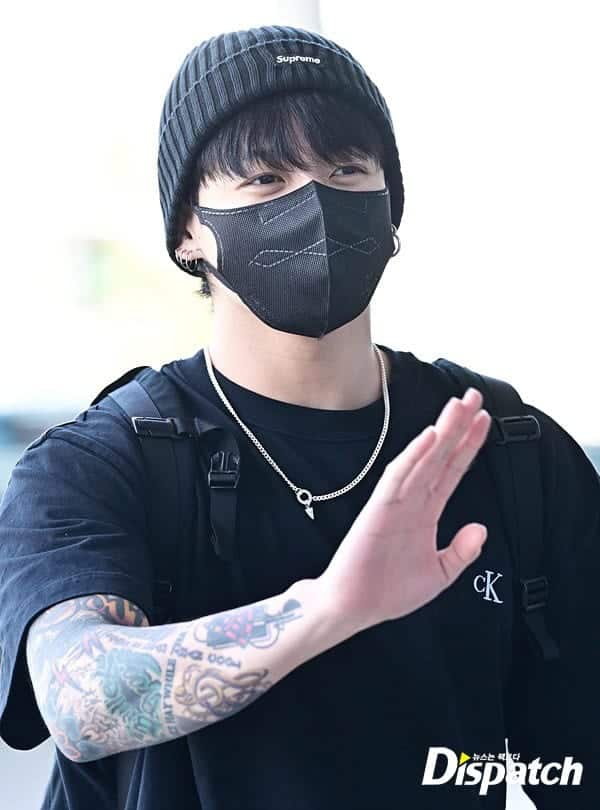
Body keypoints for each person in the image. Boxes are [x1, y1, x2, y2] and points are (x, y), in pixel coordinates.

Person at [0, 24, 598, 810]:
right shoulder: (98, 465)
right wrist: (328, 607)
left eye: (346, 169)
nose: (313, 202)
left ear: (390, 207)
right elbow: (82, 703)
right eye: (265, 178)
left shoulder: (512, 452)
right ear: (188, 233)